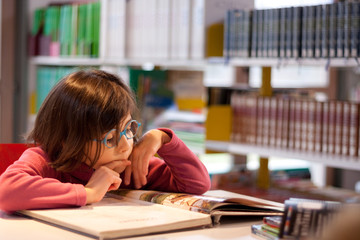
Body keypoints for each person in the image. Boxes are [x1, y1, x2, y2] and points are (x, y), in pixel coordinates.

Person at [0, 69, 211, 212]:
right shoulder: (46, 159)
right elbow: (7, 191)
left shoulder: (129, 165)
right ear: (67, 140)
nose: (125, 145)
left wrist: (163, 138)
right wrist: (88, 192)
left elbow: (197, 184)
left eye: (128, 129)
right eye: (109, 138)